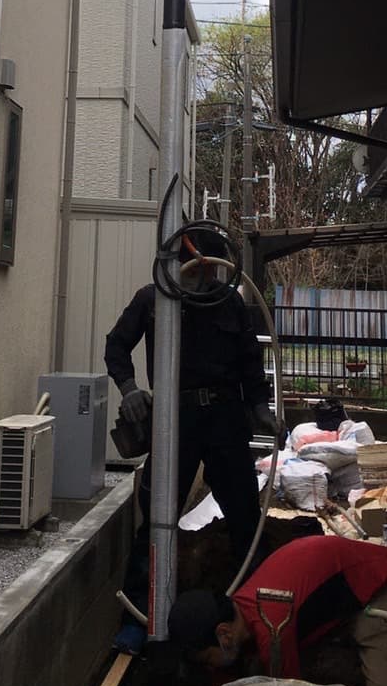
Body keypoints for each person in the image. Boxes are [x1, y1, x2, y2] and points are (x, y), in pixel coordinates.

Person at [105, 227, 280, 653]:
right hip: (174, 420)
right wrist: (129, 390)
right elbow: (116, 346)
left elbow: (250, 363)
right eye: (202, 268)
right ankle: (139, 619)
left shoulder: (229, 303)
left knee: (244, 516)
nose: (208, 276)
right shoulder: (154, 300)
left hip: (225, 419)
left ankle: (254, 615)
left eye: (213, 270)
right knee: (157, 519)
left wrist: (261, 410)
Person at [167, 533, 387, 686]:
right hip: (333, 595)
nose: (210, 667)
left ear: (224, 634)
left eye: (208, 659)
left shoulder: (273, 626)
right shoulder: (243, 609)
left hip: (374, 588)